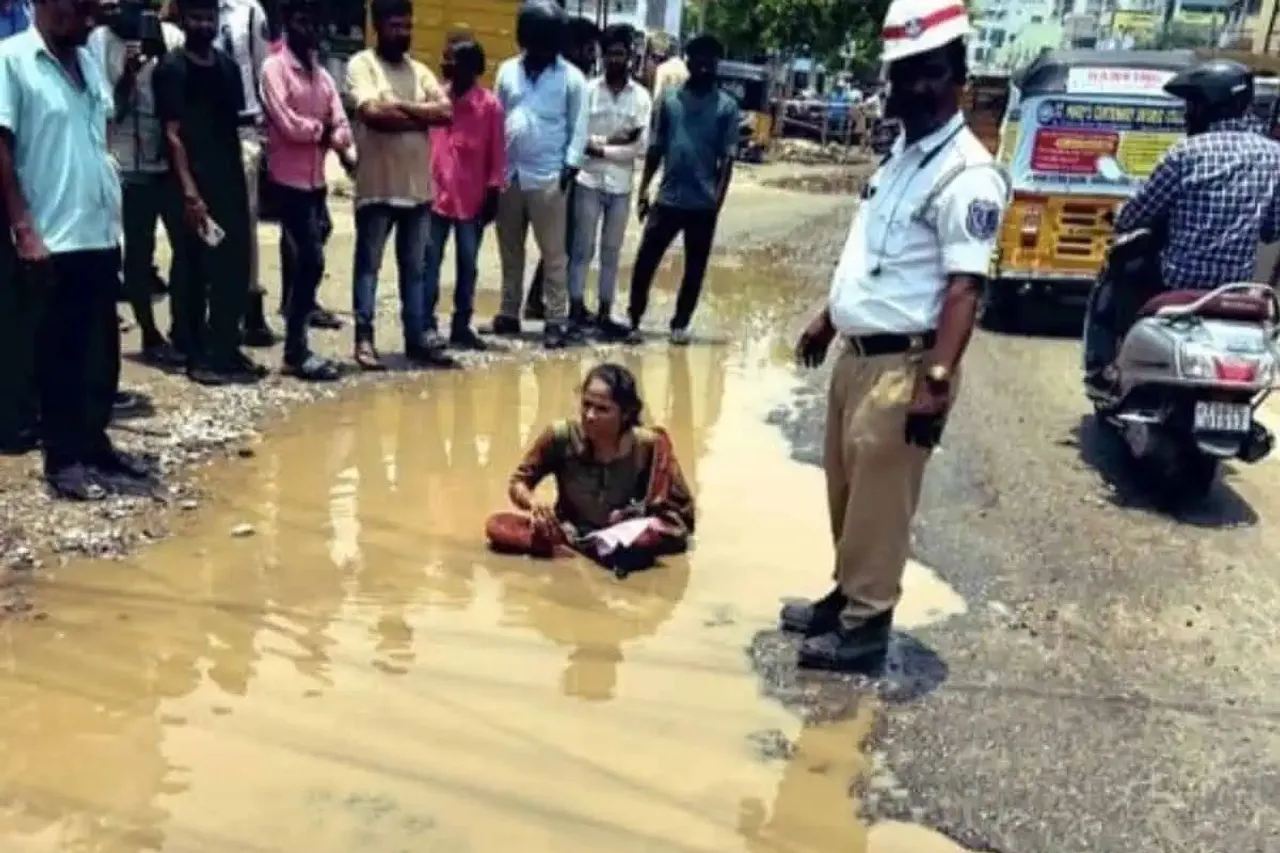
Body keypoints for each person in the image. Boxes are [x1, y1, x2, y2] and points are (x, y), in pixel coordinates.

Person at [789, 0, 1008, 672]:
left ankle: (864, 630)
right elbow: (872, 256)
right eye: (904, 73)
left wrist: (937, 378)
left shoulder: (966, 172)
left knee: (881, 502)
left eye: (929, 73)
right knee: (848, 490)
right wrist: (829, 318)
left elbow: (963, 287)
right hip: (858, 355)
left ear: (958, 78)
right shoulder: (901, 157)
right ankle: (848, 594)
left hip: (904, 364)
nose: (914, 87)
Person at [0, 0, 157, 499]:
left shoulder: (86, 61)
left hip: (99, 231)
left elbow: (104, 124)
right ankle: (62, 459)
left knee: (100, 353)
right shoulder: (11, 60)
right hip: (52, 234)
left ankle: (94, 444)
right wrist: (24, 226)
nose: (91, 20)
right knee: (58, 354)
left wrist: (129, 79)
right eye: (81, 9)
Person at [1082, 59, 1280, 390]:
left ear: (1208, 106)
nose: (1187, 114)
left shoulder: (1185, 154)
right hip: (1237, 285)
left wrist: (1118, 217)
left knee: (1117, 274)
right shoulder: (1274, 156)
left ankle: (1105, 367)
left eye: (1192, 105)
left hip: (1176, 279)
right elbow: (1272, 229)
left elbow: (1137, 213)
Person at [484, 362, 695, 574]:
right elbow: (518, 482)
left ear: (626, 413)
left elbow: (680, 515)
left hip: (624, 534)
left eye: (602, 409)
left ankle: (603, 554)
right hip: (570, 533)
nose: (590, 415)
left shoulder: (650, 446)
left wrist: (631, 515)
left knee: (655, 536)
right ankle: (587, 552)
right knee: (497, 526)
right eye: (586, 405)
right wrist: (534, 503)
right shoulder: (560, 436)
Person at [155, 0, 263, 385]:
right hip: (189, 182)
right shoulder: (171, 68)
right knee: (193, 268)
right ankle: (194, 353)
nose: (203, 25)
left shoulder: (227, 68)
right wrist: (189, 193)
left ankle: (226, 347)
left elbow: (231, 126)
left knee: (232, 264)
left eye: (209, 18)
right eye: (196, 18)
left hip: (227, 178)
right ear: (184, 21)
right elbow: (172, 134)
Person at [345, 0, 451, 370]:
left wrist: (400, 109)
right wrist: (419, 115)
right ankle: (364, 340)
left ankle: (416, 339)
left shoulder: (419, 68)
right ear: (378, 27)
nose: (403, 33)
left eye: (407, 26)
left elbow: (446, 112)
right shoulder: (362, 65)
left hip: (417, 191)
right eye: (395, 26)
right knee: (368, 268)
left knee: (415, 270)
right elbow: (372, 114)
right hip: (377, 187)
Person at [88, 0, 185, 368]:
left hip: (169, 162)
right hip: (127, 163)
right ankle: (148, 331)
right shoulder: (99, 41)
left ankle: (183, 327)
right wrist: (129, 75)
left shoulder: (172, 36)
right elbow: (104, 110)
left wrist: (164, 69)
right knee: (138, 255)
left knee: (185, 249)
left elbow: (182, 102)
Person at [626, 33, 739, 346]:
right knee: (645, 260)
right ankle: (634, 319)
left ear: (717, 64)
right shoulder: (670, 99)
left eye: (710, 59)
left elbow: (727, 160)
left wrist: (717, 201)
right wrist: (644, 188)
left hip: (703, 204)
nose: (704, 64)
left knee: (694, 268)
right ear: (688, 61)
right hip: (668, 198)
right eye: (698, 58)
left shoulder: (727, 107)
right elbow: (655, 148)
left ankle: (680, 323)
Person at [260, 0, 351, 380]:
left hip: (315, 181)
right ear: (287, 22)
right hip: (286, 180)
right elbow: (287, 123)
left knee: (310, 252)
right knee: (311, 258)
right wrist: (323, 132)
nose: (308, 30)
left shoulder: (322, 74)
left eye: (313, 23)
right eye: (301, 21)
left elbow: (342, 123)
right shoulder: (274, 68)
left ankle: (295, 328)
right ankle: (295, 349)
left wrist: (330, 133)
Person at [491, 0, 588, 349]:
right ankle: (508, 311)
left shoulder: (572, 79)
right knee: (510, 249)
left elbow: (579, 126)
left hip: (549, 177)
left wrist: (569, 167)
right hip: (510, 175)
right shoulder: (506, 72)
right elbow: (497, 118)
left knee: (553, 254)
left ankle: (556, 320)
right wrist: (494, 169)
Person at [421, 30, 504, 351]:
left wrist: (494, 195)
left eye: (451, 62)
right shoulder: (437, 100)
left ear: (470, 67)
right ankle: (426, 324)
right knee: (430, 263)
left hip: (472, 201)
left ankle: (461, 325)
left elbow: (497, 155)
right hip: (437, 197)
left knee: (467, 264)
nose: (445, 66)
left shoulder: (490, 107)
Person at [569, 23, 649, 339]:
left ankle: (604, 311)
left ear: (630, 57)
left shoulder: (641, 97)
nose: (616, 59)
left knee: (611, 252)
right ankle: (576, 308)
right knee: (581, 249)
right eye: (611, 53)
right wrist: (616, 142)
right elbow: (578, 139)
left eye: (622, 54)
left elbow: (640, 146)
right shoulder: (588, 91)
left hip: (620, 185)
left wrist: (600, 147)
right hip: (588, 181)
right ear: (604, 56)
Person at [522, 13, 599, 324]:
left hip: (561, 169)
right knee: (558, 243)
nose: (593, 55)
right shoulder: (567, 79)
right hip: (555, 172)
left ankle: (539, 301)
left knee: (557, 243)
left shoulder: (574, 78)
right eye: (589, 47)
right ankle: (542, 303)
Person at [217, 0, 282, 345]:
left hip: (243, 128)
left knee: (245, 223)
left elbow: (262, 70)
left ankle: (250, 308)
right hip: (202, 129)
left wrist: (266, 136)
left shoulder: (250, 11)